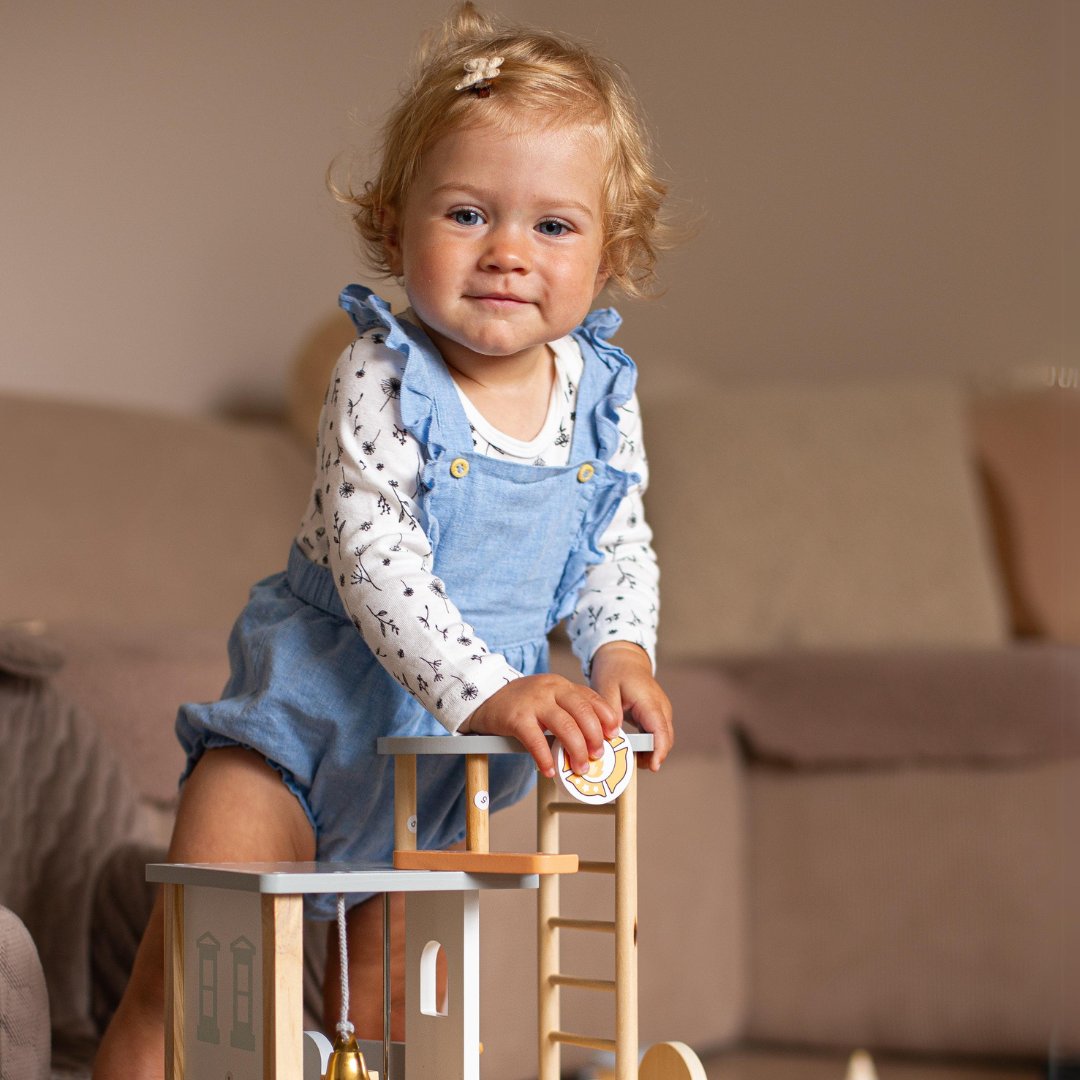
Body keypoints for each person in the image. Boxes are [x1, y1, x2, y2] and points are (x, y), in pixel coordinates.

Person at [93, 3, 673, 1075]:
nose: (507, 251)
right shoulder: (383, 375)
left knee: (395, 1019)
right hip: (298, 740)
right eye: (467, 214)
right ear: (393, 221)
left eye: (553, 226)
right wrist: (499, 692)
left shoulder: (599, 395)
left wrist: (618, 651)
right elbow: (377, 564)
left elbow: (610, 544)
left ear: (611, 250)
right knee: (195, 981)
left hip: (440, 770)